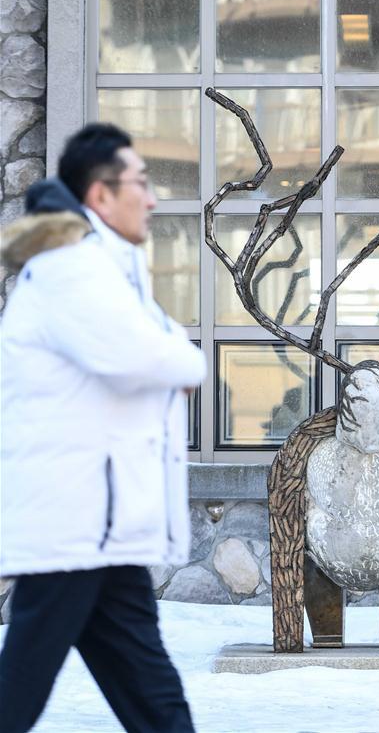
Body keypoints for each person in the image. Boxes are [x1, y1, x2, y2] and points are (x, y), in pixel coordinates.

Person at [0, 124, 206, 733]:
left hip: (99, 527)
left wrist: (174, 355)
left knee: (153, 696)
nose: (152, 197)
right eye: (140, 183)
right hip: (76, 522)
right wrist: (185, 362)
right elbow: (149, 356)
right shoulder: (74, 269)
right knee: (20, 692)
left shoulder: (103, 268)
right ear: (100, 194)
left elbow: (154, 349)